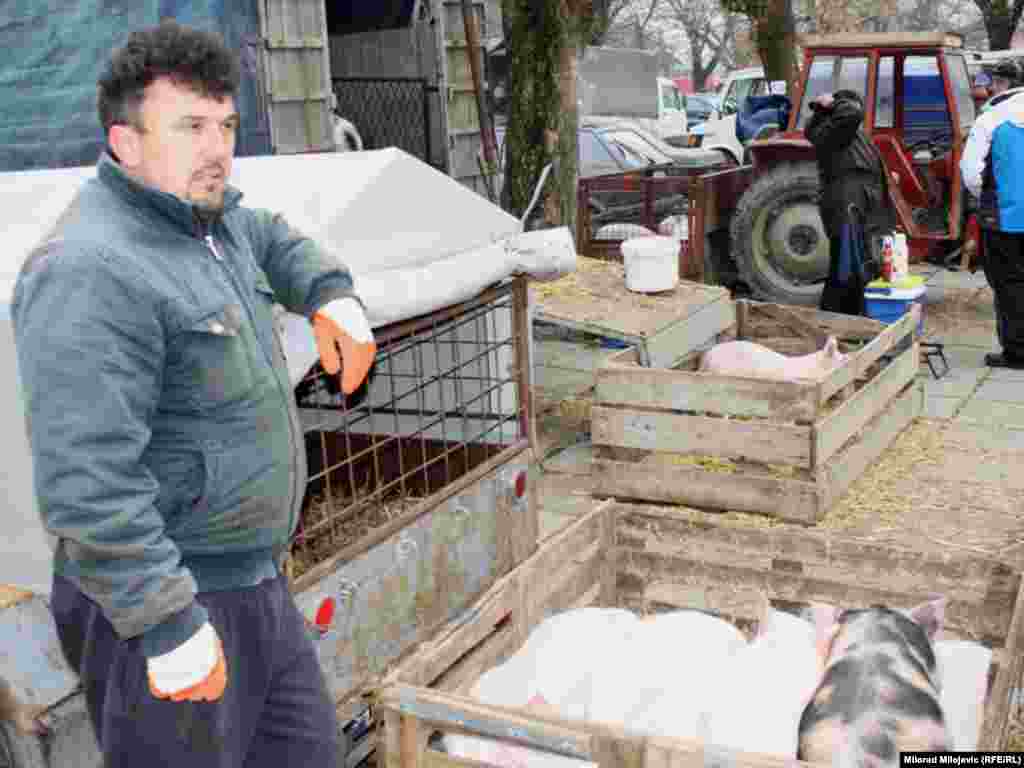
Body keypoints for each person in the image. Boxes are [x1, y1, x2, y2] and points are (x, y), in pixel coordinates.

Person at [11, 20, 377, 766]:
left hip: (256, 583)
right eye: (189, 126)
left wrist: (330, 294)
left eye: (226, 124)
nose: (217, 148)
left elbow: (268, 231)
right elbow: (87, 482)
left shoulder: (207, 221)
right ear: (126, 142)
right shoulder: (89, 268)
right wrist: (165, 623)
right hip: (164, 600)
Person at [804, 89, 896, 316]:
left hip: (857, 206)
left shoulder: (843, 133)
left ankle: (845, 316)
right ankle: (846, 318)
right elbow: (852, 113)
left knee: (853, 266)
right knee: (849, 267)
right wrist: (834, 102)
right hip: (848, 207)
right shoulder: (832, 132)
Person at [960, 78, 1024, 369]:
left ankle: (1017, 351)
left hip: (1004, 218)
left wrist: (987, 197)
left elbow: (971, 172)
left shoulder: (991, 119)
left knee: (1009, 283)